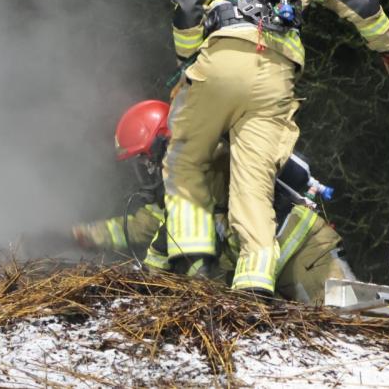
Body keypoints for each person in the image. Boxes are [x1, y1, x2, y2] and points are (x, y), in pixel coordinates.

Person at [163, 0, 389, 295]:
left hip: (223, 62)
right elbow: (362, 2)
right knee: (253, 186)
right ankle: (255, 281)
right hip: (276, 77)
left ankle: (190, 265)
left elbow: (188, 4)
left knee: (186, 158)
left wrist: (187, 60)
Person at [71, 99, 351, 304]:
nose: (147, 169)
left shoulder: (210, 159)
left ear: (163, 145)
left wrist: (147, 277)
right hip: (267, 267)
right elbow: (142, 225)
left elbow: (172, 231)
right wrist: (85, 235)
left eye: (146, 160)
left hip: (304, 252)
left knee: (348, 328)